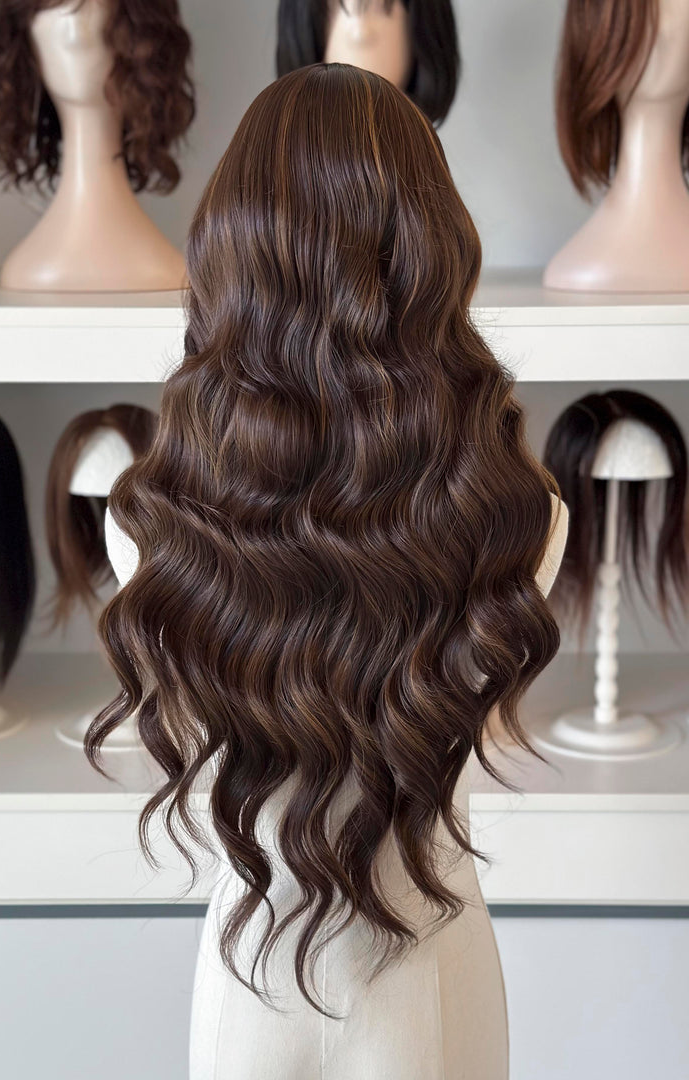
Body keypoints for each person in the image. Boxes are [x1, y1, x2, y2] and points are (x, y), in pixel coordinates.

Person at [90, 63, 566, 1080]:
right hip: (429, 974)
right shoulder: (519, 518)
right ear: (430, 251)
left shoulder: (152, 531)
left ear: (231, 251)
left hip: (254, 979)